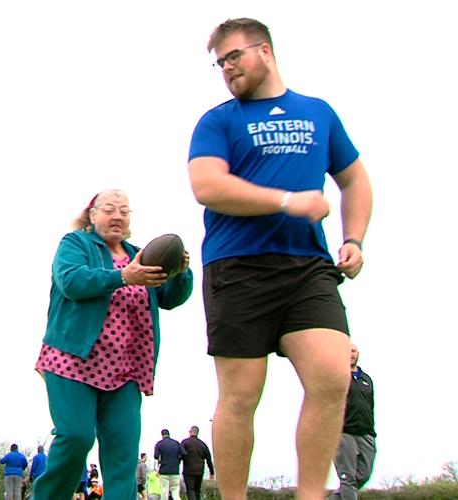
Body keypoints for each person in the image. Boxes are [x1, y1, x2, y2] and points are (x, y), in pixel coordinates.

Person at [187, 17, 373, 499]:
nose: (227, 69)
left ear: (264, 51)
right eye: (220, 63)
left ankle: (311, 494)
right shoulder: (219, 120)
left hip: (308, 266)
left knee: (333, 376)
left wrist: (354, 238)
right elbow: (207, 185)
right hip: (238, 265)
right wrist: (288, 201)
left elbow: (355, 180)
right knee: (241, 395)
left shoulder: (318, 112)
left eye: (234, 57)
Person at [31, 189, 194, 500]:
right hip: (72, 360)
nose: (117, 215)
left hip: (127, 369)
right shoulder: (75, 244)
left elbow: (170, 297)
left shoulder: (139, 255)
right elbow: (72, 282)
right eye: (109, 209)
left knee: (122, 453)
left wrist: (180, 274)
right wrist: (123, 277)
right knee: (76, 436)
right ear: (92, 215)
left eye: (124, 210)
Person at [331, 344, 376, 499]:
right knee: (348, 478)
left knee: (363, 475)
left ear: (358, 354)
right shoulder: (337, 376)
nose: (350, 354)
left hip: (366, 433)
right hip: (344, 432)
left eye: (353, 351)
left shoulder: (366, 379)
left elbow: (370, 406)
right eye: (346, 351)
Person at [181, 426, 214, 500]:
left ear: (190, 432)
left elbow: (180, 455)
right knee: (197, 490)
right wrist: (211, 472)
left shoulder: (185, 443)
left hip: (188, 471)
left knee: (190, 490)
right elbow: (208, 458)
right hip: (199, 471)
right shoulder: (202, 444)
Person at [153, 429, 186, 500]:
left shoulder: (159, 444)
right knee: (175, 490)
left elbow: (156, 456)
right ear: (169, 434)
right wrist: (178, 460)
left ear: (162, 435)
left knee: (164, 491)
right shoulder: (176, 443)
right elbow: (183, 453)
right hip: (175, 470)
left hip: (164, 471)